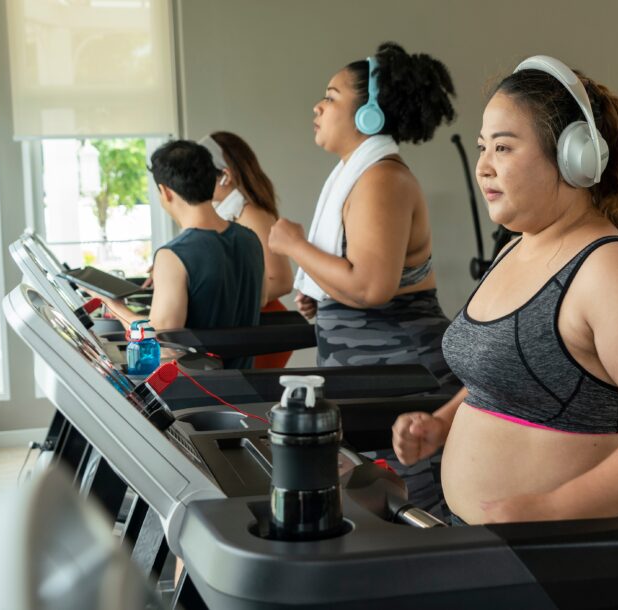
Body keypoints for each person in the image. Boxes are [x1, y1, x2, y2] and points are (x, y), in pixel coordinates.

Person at [391, 56, 618, 534]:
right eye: (484, 147)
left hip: (567, 559)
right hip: (479, 541)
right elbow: (507, 369)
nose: (483, 166)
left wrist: (550, 509)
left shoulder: (612, 271)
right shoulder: (516, 248)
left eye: (503, 147)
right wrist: (442, 423)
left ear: (573, 158)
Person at [267, 42, 457, 515]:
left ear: (369, 114)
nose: (318, 106)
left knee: (422, 513)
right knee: (387, 506)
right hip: (377, 371)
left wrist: (295, 247)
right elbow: (359, 280)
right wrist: (324, 293)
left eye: (330, 96)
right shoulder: (361, 175)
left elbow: (372, 288)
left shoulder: (381, 181)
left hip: (404, 375)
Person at [94, 139, 265, 369]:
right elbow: (260, 299)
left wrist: (111, 303)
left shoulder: (173, 255)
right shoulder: (250, 239)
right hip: (248, 386)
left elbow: (160, 339)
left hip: (196, 391)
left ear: (165, 192)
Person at [199, 131, 295, 368]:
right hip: (243, 328)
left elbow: (281, 280)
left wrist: (225, 302)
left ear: (225, 176)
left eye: (201, 173)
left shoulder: (250, 214)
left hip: (260, 328)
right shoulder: (223, 212)